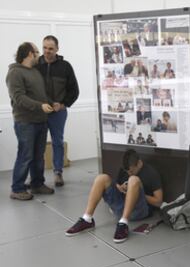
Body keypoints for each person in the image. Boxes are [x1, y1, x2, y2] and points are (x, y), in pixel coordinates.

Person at [65, 149, 163, 243]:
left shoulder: (151, 173)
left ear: (139, 163)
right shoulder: (125, 169)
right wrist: (121, 188)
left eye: (132, 171)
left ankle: (123, 224)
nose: (129, 173)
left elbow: (158, 202)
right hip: (121, 207)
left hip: (139, 210)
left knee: (133, 180)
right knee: (101, 178)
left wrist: (134, 192)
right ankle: (87, 219)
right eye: (127, 171)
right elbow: (117, 185)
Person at [6, 42, 55, 200]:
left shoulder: (34, 71)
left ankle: (37, 184)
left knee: (38, 155)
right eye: (37, 51)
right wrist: (40, 106)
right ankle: (17, 188)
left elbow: (39, 94)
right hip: (25, 122)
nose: (39, 54)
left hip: (40, 120)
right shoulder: (15, 73)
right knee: (25, 155)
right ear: (29, 54)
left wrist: (50, 102)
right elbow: (19, 98)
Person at [36, 35, 79, 187]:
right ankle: (36, 176)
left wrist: (63, 104)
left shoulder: (65, 66)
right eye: (44, 48)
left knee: (57, 142)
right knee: (38, 144)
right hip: (39, 112)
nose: (47, 51)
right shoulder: (36, 65)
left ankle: (58, 173)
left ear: (57, 49)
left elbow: (74, 90)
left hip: (58, 112)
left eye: (51, 49)